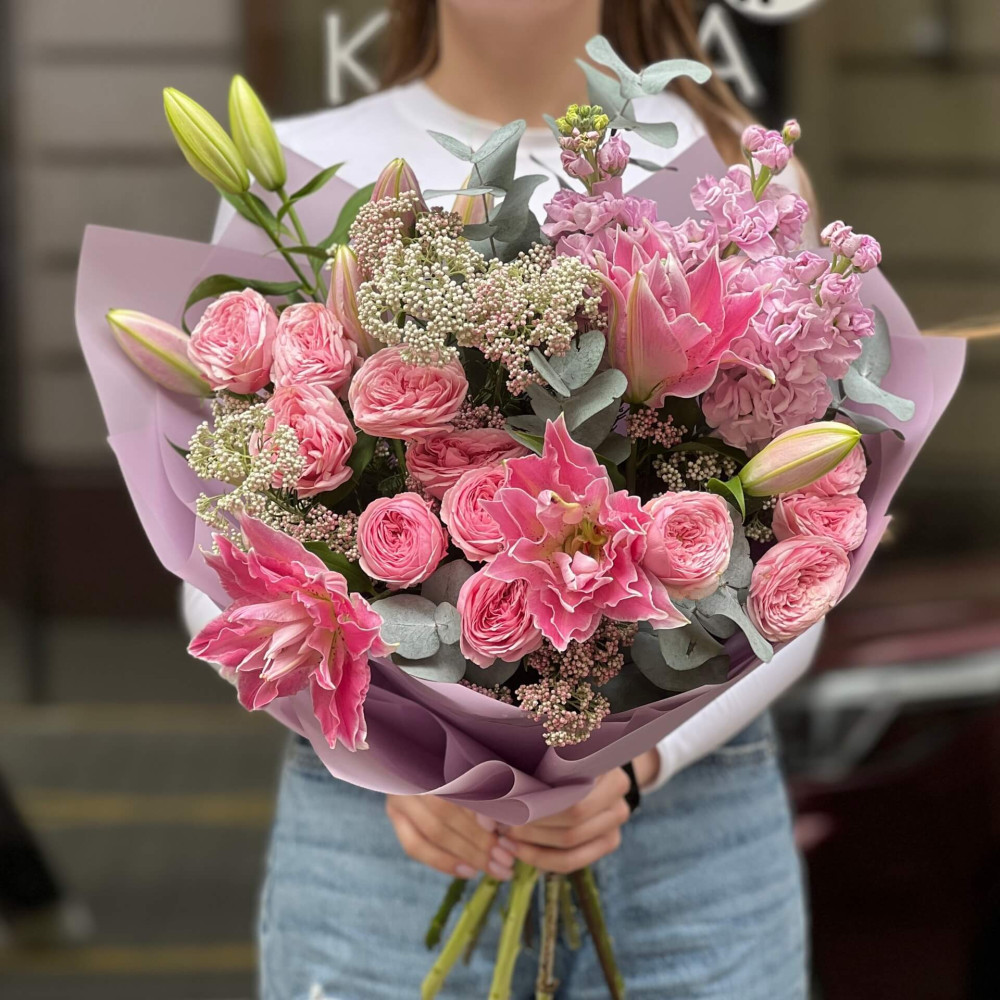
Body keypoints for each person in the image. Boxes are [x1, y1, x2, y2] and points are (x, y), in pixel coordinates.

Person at [191, 1, 820, 995]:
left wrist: (637, 766)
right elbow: (218, 566)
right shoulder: (306, 169)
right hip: (381, 837)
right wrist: (395, 758)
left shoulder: (737, 180)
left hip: (689, 841)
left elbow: (807, 564)